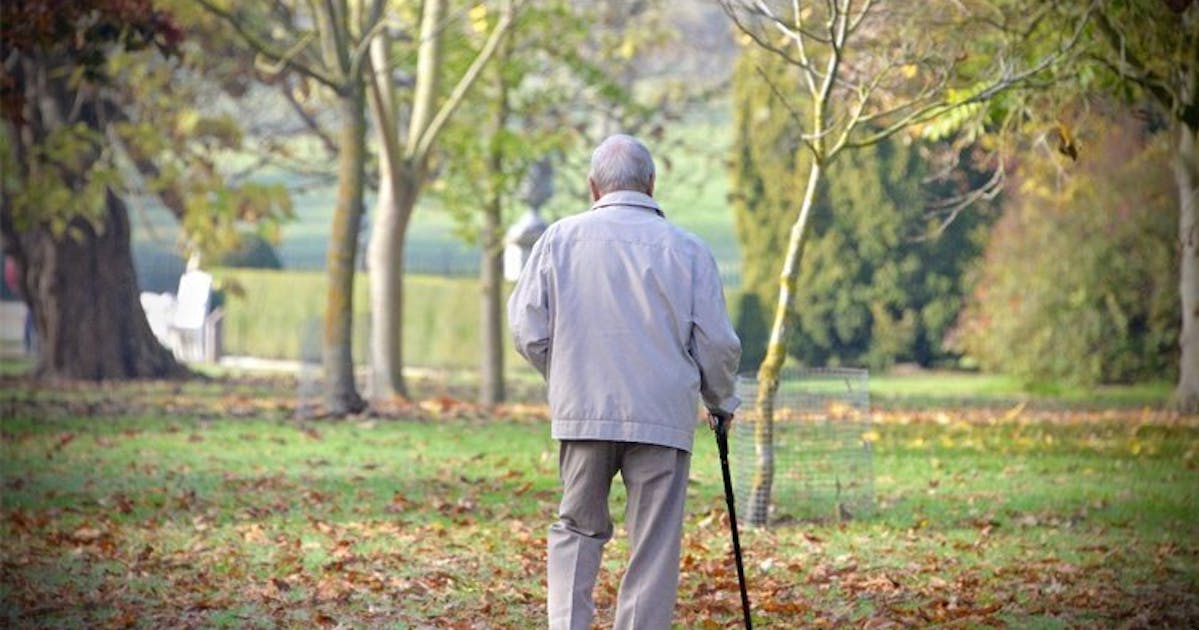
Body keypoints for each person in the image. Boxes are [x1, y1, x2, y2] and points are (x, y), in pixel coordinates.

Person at [508, 134, 742, 629]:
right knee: (653, 542)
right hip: (661, 414)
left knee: (576, 528)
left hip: (583, 410)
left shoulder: (558, 239)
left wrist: (566, 372)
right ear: (652, 184)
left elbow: (527, 329)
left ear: (593, 187)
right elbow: (717, 343)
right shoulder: (689, 250)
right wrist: (720, 400)